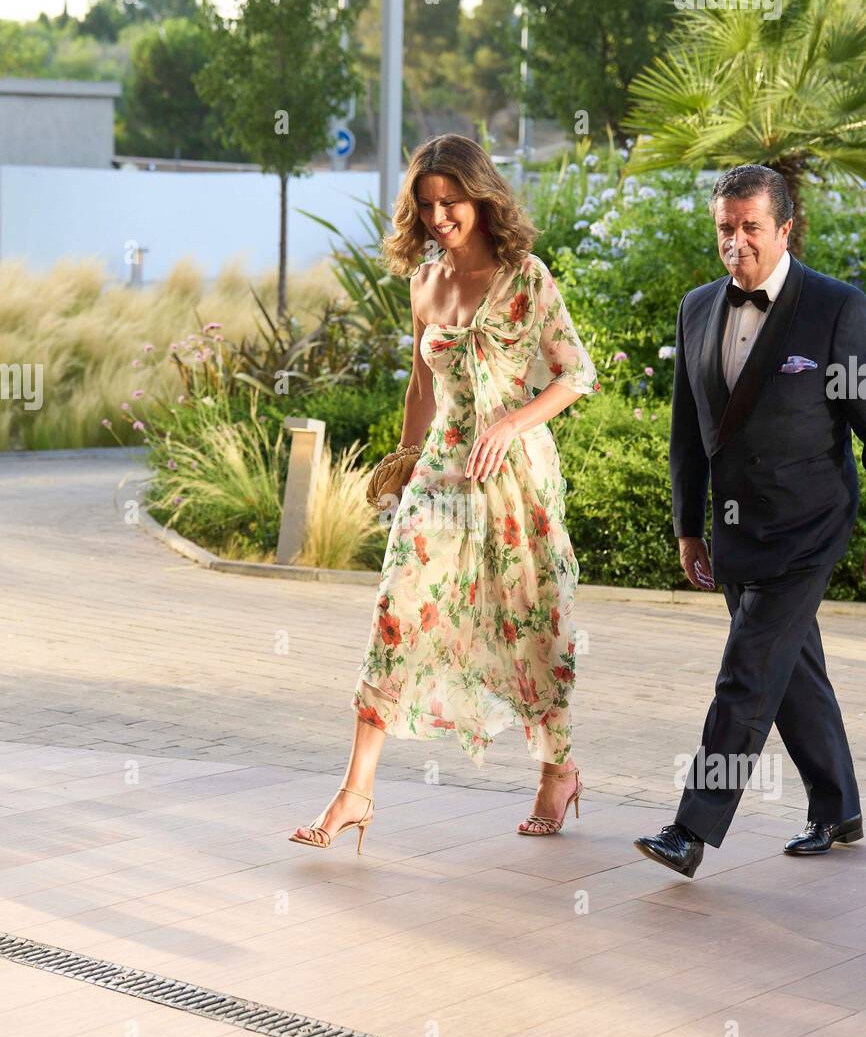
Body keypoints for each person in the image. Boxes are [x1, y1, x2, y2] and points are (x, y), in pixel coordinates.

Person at [290, 133, 599, 851]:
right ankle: (355, 792)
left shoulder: (526, 277)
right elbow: (421, 385)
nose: (438, 217)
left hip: (513, 476)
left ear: (480, 196)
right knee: (398, 611)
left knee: (532, 621)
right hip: (440, 473)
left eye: (450, 202)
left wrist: (513, 425)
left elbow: (574, 374)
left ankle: (558, 770)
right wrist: (403, 461)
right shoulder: (425, 283)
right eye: (426, 205)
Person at [635, 163, 866, 879]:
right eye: (725, 229)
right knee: (791, 669)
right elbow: (686, 430)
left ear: (785, 228)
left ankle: (691, 829)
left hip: (808, 525)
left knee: (748, 672)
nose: (736, 242)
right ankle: (839, 807)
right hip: (736, 530)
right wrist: (687, 526)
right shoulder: (696, 307)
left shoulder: (836, 307)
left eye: (751, 228)